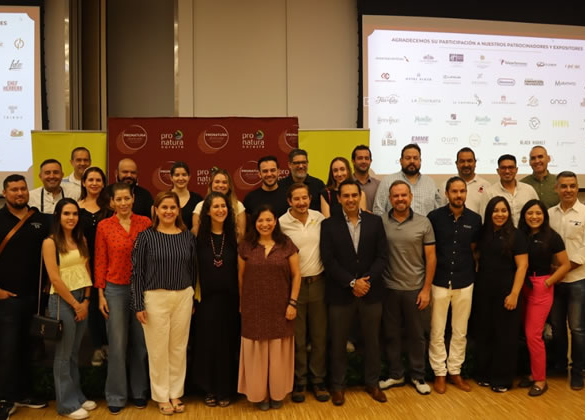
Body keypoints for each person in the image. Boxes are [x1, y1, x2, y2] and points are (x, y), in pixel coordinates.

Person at [320, 180, 388, 406]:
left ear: (360, 196)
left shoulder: (375, 222)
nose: (350, 199)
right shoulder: (328, 225)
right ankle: (338, 386)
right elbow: (328, 260)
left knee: (372, 341)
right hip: (341, 294)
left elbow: (382, 257)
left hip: (370, 291)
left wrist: (365, 281)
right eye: (345, 196)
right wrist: (351, 283)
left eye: (354, 195)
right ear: (339, 199)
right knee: (339, 343)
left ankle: (372, 383)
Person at [131, 191, 196, 415]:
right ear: (156, 210)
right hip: (155, 298)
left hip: (183, 296)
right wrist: (138, 304)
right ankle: (161, 396)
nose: (168, 211)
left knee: (178, 348)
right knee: (158, 350)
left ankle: (175, 393)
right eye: (164, 207)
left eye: (172, 207)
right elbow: (137, 272)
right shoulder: (146, 237)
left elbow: (193, 270)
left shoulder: (187, 237)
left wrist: (192, 297)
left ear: (178, 210)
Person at [94, 182, 151, 414]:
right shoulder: (104, 226)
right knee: (117, 345)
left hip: (142, 290)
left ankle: (139, 391)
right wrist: (100, 294)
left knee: (140, 343)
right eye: (119, 199)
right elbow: (100, 260)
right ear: (112, 202)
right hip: (115, 290)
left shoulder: (145, 223)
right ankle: (116, 395)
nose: (124, 203)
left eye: (127, 198)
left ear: (133, 199)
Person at [237, 205, 301, 411]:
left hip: (281, 308)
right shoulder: (246, 246)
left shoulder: (286, 244)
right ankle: (260, 394)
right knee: (257, 352)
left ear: (275, 221)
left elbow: (296, 275)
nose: (265, 224)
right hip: (253, 308)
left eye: (269, 220)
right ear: (254, 223)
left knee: (277, 352)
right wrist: (242, 303)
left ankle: (276, 393)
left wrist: (292, 303)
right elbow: (240, 277)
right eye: (260, 220)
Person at [379, 180, 436, 395]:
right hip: (389, 288)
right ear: (390, 199)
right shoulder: (381, 222)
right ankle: (396, 374)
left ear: (410, 197)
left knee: (417, 336)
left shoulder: (423, 222)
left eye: (404, 195)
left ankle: (418, 376)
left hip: (415, 289)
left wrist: (426, 289)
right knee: (391, 334)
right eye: (396, 196)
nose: (400, 199)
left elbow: (431, 258)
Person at [0, 175, 50, 420]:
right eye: (14, 189)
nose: (20, 193)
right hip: (6, 299)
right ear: (4, 193)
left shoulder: (40, 219)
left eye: (23, 188)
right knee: (7, 350)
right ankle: (4, 399)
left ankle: (23, 394)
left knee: (28, 348)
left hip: (36, 299)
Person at [427, 176, 482, 394]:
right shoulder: (434, 217)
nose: (459, 195)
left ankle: (455, 371)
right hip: (439, 280)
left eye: (462, 191)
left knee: (460, 331)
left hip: (464, 281)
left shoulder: (475, 219)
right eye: (454, 191)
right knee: (437, 330)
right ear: (447, 194)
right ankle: (439, 373)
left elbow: (474, 248)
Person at [43, 198, 96, 419]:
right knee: (64, 355)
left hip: (82, 298)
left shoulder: (80, 239)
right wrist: (75, 305)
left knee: (74, 352)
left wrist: (86, 301)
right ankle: (66, 404)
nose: (71, 217)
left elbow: (87, 270)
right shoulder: (50, 242)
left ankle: (77, 396)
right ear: (58, 216)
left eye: (74, 213)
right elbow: (55, 278)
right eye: (66, 213)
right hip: (62, 300)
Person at [279, 183, 329, 403]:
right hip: (294, 287)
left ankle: (318, 381)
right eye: (296, 199)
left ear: (310, 199)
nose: (301, 203)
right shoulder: (281, 223)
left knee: (319, 336)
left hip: (318, 283)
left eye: (305, 198)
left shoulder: (319, 218)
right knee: (298, 339)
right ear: (289, 201)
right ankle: (299, 382)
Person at [474, 196, 528, 392]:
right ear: (489, 213)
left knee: (505, 337)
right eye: (495, 211)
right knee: (485, 333)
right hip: (483, 292)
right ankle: (484, 375)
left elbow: (522, 266)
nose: (500, 214)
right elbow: (476, 255)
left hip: (507, 293)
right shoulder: (483, 233)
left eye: (503, 210)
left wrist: (514, 294)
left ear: (509, 213)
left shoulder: (517, 235)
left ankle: (502, 380)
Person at [192, 192, 240, 407]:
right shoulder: (198, 238)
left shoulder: (235, 237)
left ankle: (226, 389)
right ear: (208, 211)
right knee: (207, 345)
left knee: (228, 345)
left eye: (224, 206)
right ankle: (209, 389)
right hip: (205, 302)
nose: (221, 210)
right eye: (216, 206)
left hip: (231, 301)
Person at [517, 199, 570, 396]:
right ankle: (533, 373)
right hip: (521, 285)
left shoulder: (552, 236)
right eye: (530, 213)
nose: (534, 217)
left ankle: (540, 380)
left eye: (538, 213)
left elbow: (565, 264)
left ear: (544, 216)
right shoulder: (520, 235)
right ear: (524, 216)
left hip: (541, 287)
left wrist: (548, 282)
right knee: (526, 333)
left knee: (534, 335)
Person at [548, 171, 585, 390]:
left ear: (578, 187)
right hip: (555, 282)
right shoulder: (549, 214)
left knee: (578, 328)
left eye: (572, 186)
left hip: (578, 281)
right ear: (556, 189)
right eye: (563, 186)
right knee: (557, 327)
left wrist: (562, 270)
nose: (568, 190)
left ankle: (578, 370)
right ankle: (560, 366)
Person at [77, 167, 111, 368]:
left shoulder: (111, 207)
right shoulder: (76, 207)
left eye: (98, 180)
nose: (94, 183)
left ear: (103, 183)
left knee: (107, 305)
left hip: (108, 263)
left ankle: (109, 346)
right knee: (90, 305)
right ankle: (97, 346)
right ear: (84, 182)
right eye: (90, 179)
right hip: (83, 263)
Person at [373, 144, 441, 216]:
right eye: (408, 158)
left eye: (415, 158)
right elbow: (378, 210)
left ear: (420, 161)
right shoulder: (388, 181)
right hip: (394, 223)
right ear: (401, 161)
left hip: (425, 223)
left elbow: (438, 211)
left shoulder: (430, 183)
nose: (412, 161)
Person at [480, 154, 538, 226]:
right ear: (498, 171)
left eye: (510, 167)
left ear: (516, 170)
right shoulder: (489, 193)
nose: (507, 171)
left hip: (526, 232)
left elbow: (538, 212)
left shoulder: (529, 190)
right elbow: (484, 219)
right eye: (503, 168)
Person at [192, 168, 246, 240]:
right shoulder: (200, 206)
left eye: (224, 182)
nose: (220, 185)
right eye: (217, 182)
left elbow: (241, 237)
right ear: (211, 184)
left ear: (229, 186)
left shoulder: (238, 206)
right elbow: (196, 234)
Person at [439, 147, 489, 214]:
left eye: (469, 161)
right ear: (456, 163)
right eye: (462, 161)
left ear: (475, 162)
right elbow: (441, 212)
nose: (466, 165)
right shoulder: (445, 185)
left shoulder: (486, 186)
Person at [169, 161, 203, 232]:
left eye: (184, 175)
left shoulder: (198, 199)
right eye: (177, 175)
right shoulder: (163, 198)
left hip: (192, 238)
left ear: (189, 177)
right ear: (171, 177)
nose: (181, 178)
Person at [351, 145, 380, 212]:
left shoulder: (378, 185)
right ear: (353, 161)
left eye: (366, 158)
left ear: (370, 161)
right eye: (360, 158)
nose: (363, 161)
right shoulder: (346, 184)